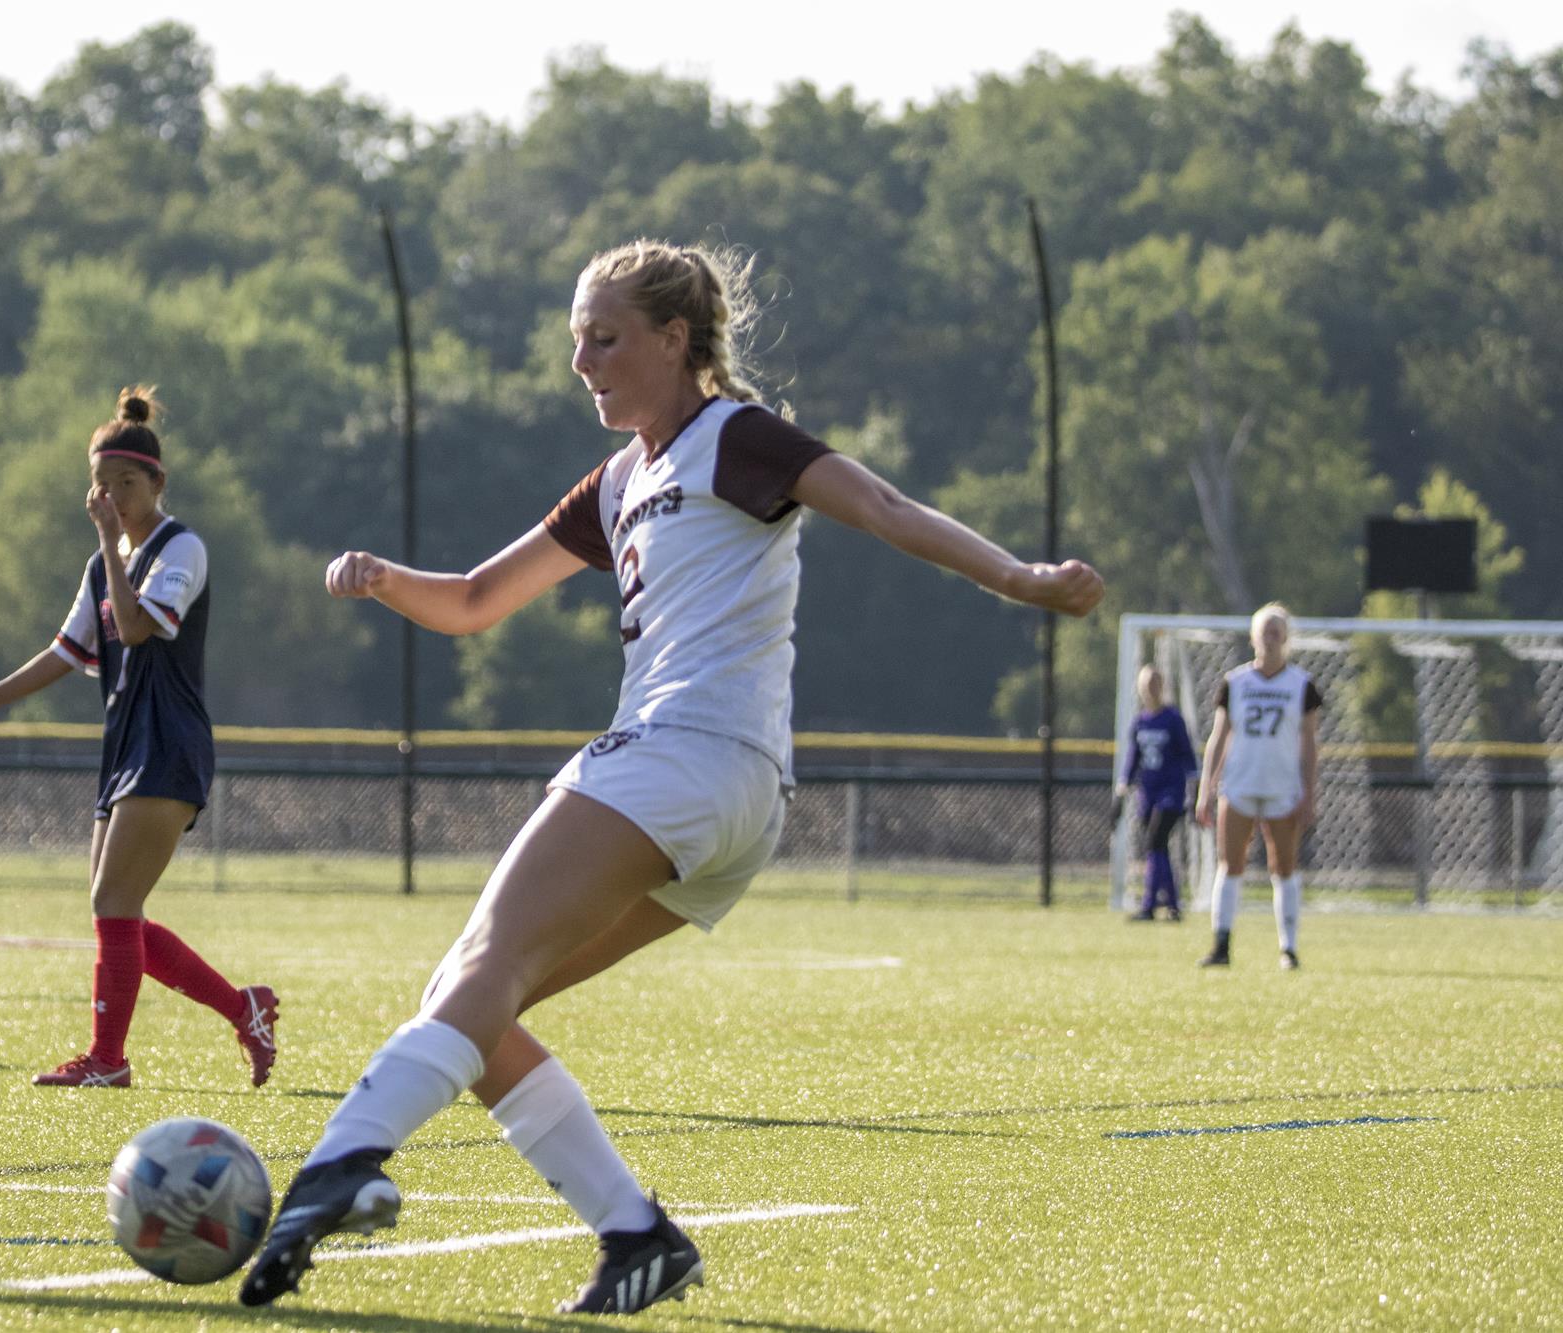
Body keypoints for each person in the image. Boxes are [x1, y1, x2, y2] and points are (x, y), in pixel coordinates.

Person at [237, 240, 1104, 1315]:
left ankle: (337, 1164)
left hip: (683, 753)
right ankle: (635, 1237)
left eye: (603, 338)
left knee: (477, 973)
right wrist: (380, 579)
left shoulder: (728, 435)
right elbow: (471, 601)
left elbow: (878, 504)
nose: (581, 360)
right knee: (473, 1012)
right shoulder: (617, 480)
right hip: (734, 797)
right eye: (573, 340)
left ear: (673, 339)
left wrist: (1019, 577)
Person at [0, 388, 278, 1089]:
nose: (113, 495)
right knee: (116, 912)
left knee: (112, 907)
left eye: (126, 482)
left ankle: (108, 1059)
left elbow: (132, 627)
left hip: (169, 741)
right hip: (126, 747)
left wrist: (107, 542)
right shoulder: (105, 564)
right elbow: (65, 651)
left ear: (157, 482)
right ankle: (243, 1007)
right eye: (101, 484)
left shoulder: (180, 546)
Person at [1195, 603, 1321, 969]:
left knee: (1284, 867)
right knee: (1229, 864)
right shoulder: (1236, 682)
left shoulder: (1302, 685)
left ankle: (1289, 948)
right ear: (1253, 637)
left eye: (1277, 631)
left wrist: (1309, 791)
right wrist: (1207, 787)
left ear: (1286, 639)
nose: (1270, 637)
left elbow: (1310, 743)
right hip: (1240, 783)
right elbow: (1219, 737)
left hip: (1283, 785)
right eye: (1265, 630)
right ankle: (1221, 944)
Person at [1116, 664, 1197, 922]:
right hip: (1147, 793)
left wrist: (1195, 792)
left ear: (1162, 686)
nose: (1151, 688)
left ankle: (1152, 904)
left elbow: (1188, 755)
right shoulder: (1140, 721)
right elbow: (1133, 757)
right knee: (1156, 848)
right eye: (1146, 684)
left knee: (1155, 842)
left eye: (1155, 683)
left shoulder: (1172, 718)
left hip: (1170, 792)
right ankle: (1170, 905)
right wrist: (1122, 789)